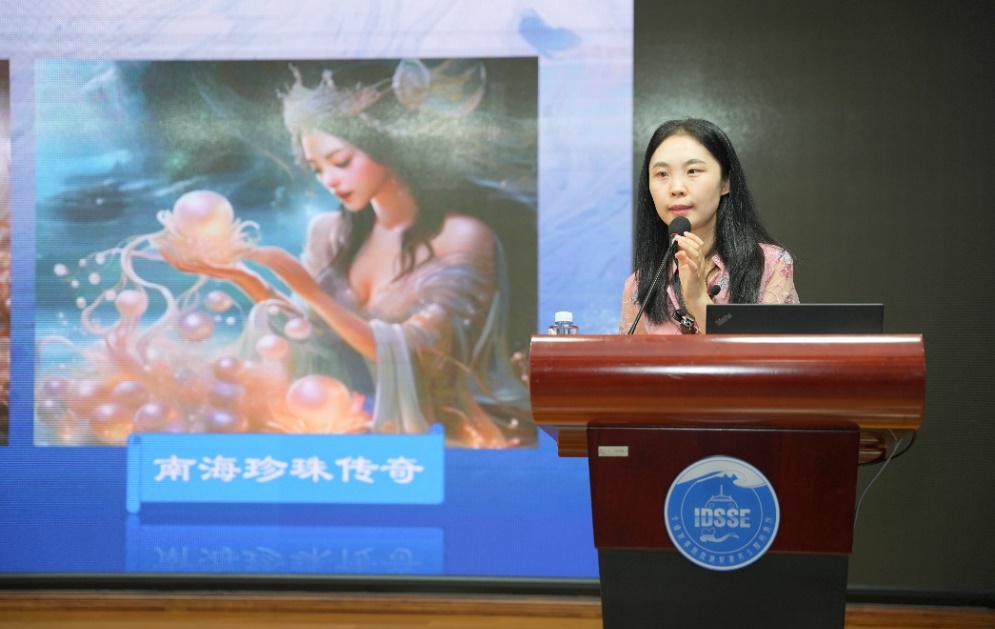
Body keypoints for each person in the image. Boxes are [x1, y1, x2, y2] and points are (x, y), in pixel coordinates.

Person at [166, 60, 534, 448]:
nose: (330, 180)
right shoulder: (330, 232)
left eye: (341, 162)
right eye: (317, 169)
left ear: (389, 150)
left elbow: (420, 354)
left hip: (429, 428)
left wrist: (308, 288)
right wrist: (243, 277)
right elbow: (306, 333)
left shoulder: (462, 236)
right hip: (337, 413)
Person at [619, 118, 798, 335]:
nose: (676, 188)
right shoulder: (638, 287)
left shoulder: (771, 265)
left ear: (725, 182)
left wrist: (699, 301)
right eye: (662, 174)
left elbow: (770, 355)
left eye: (693, 171)